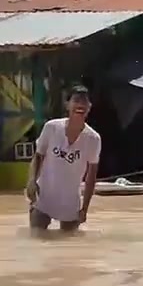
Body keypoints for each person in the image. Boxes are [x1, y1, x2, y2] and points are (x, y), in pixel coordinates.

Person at [26, 85, 101, 233]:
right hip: (44, 198)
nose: (80, 105)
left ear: (90, 107)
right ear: (67, 105)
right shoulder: (51, 127)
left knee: (70, 248)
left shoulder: (93, 138)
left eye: (84, 102)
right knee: (35, 239)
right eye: (76, 101)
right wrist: (31, 181)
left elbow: (91, 177)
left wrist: (85, 209)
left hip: (70, 204)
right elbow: (38, 156)